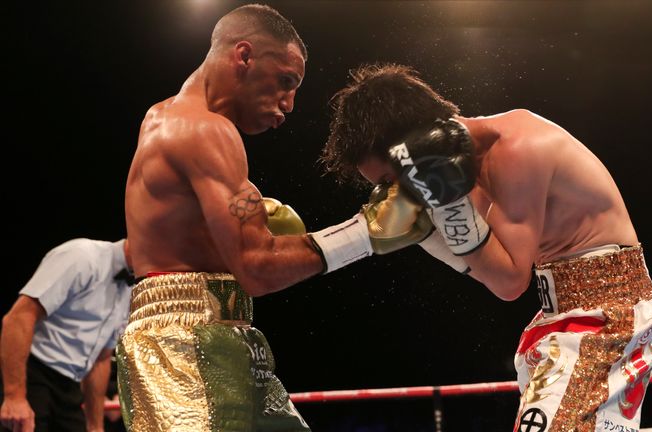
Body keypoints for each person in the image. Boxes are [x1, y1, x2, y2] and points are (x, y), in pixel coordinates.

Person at [121, 5, 432, 432]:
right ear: (244, 56)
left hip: (219, 333)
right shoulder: (205, 131)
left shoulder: (166, 118)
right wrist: (369, 229)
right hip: (185, 346)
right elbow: (258, 269)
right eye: (286, 81)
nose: (288, 104)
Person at [320, 63, 652, 432]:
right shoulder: (461, 174)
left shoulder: (516, 149)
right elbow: (490, 268)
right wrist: (427, 235)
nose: (396, 193)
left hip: (608, 314)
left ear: (414, 143)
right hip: (563, 316)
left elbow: (510, 282)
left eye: (391, 179)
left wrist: (445, 211)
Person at [0, 238, 133, 432]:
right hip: (32, 374)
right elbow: (17, 319)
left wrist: (95, 426)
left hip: (70, 386)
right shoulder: (82, 256)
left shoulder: (132, 287)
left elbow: (101, 358)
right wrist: (15, 397)